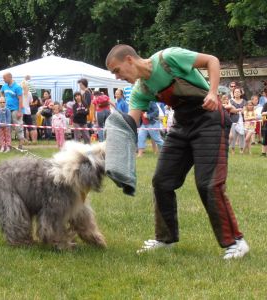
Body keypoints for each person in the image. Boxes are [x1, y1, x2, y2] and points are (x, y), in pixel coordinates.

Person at [106, 44, 249, 259]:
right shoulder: (140, 90)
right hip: (182, 126)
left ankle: (236, 242)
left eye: (117, 71)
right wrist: (109, 148)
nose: (117, 78)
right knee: (162, 181)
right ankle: (165, 239)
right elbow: (130, 126)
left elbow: (212, 60)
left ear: (129, 60)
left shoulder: (168, 58)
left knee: (208, 184)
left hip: (209, 120)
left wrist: (212, 92)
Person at [1, 72, 24, 150]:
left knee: (18, 127)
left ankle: (20, 144)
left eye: (4, 78)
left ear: (9, 77)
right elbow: (1, 92)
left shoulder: (17, 87)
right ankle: (8, 145)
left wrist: (20, 111)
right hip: (7, 109)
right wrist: (2, 99)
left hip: (16, 109)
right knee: (8, 127)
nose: (3, 80)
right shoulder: (4, 86)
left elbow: (21, 99)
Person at [226, 87, 246, 154]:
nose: (237, 93)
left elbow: (244, 111)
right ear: (233, 93)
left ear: (241, 93)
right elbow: (231, 110)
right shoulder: (230, 101)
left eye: (238, 92)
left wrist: (236, 110)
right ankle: (232, 149)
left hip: (242, 120)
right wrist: (238, 110)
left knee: (241, 135)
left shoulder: (244, 101)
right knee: (233, 135)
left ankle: (241, 149)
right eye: (235, 92)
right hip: (233, 120)